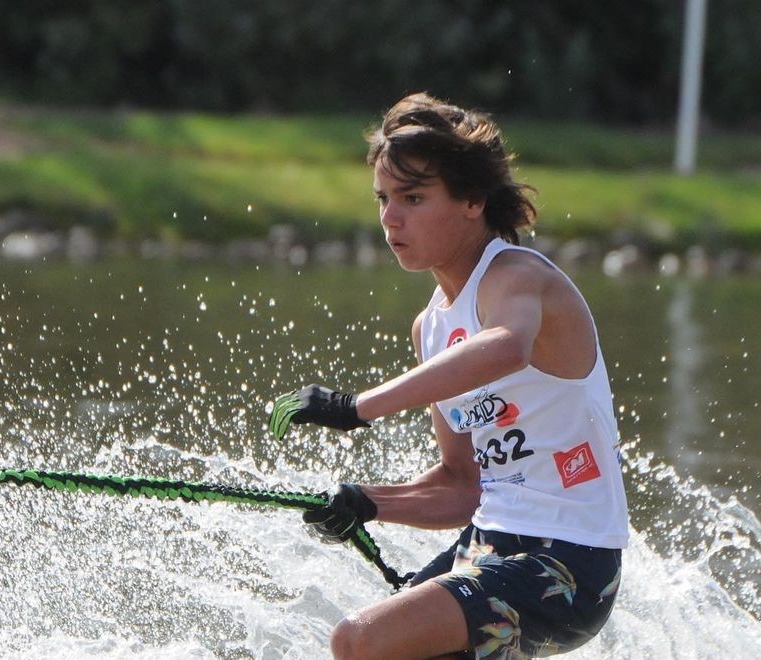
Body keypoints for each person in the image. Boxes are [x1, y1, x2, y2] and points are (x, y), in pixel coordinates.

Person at [269, 92, 629, 660]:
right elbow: (464, 487)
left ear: (472, 200)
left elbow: (506, 347)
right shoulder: (430, 328)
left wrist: (355, 407)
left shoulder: (517, 277)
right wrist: (368, 502)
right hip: (487, 545)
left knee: (357, 641)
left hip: (572, 562)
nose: (390, 218)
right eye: (383, 199)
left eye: (412, 198)